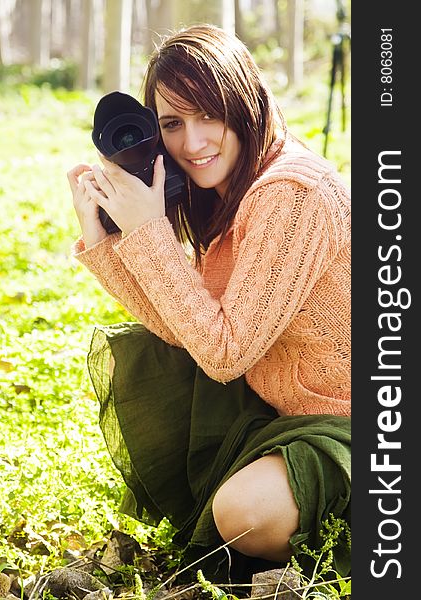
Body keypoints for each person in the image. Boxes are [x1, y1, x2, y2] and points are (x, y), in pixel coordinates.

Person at [67, 24, 351, 582]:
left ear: (245, 105)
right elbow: (186, 328)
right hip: (282, 408)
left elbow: (224, 354)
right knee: (169, 356)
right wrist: (108, 242)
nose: (191, 144)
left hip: (359, 417)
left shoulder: (291, 194)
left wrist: (149, 230)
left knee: (245, 514)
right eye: (171, 123)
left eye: (209, 115)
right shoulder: (230, 191)